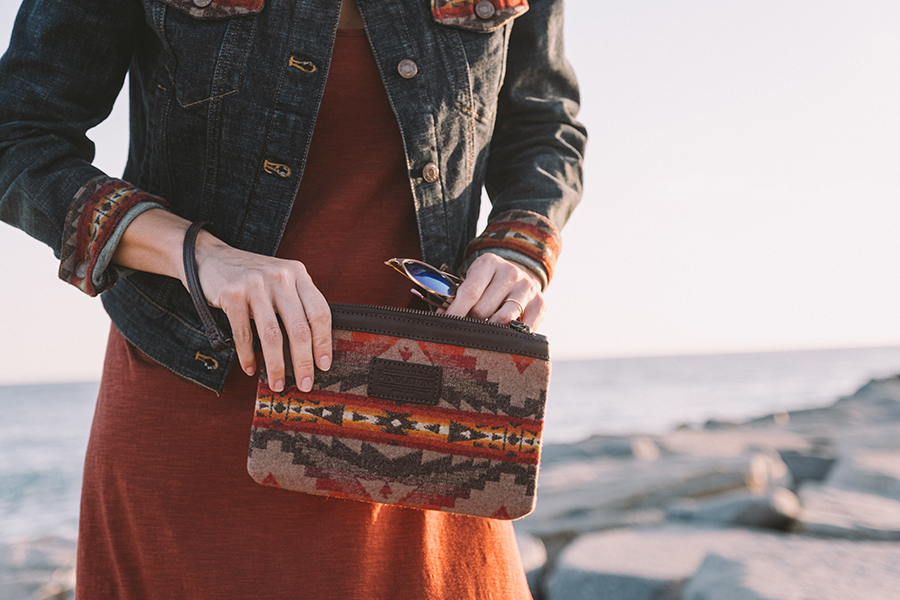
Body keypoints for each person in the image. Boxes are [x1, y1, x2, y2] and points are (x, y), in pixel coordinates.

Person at [0, 0, 586, 597]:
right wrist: (202, 255)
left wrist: (521, 246)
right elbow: (18, 134)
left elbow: (545, 127)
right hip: (198, 399)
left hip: (428, 416)